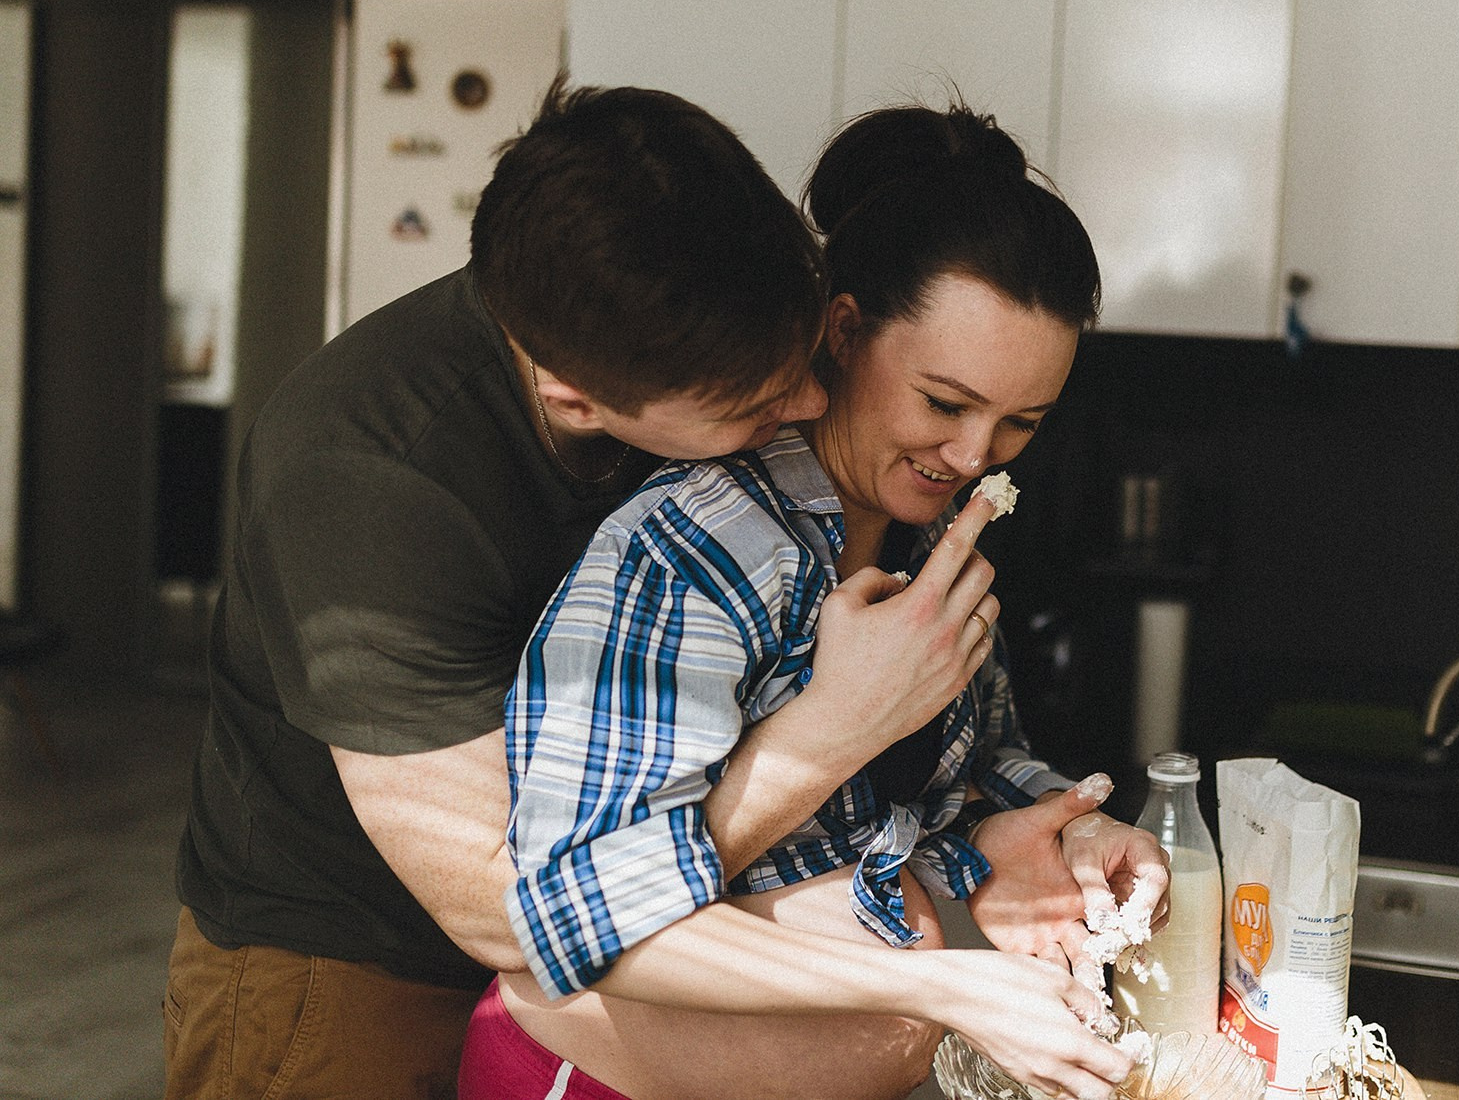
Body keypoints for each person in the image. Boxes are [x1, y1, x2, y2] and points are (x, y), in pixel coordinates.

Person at [163, 83, 1016, 1100]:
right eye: (756, 406)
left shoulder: (669, 314)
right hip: (349, 954)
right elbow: (507, 913)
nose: (811, 405)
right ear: (579, 398)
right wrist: (832, 733)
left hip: (589, 956)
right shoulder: (372, 484)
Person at [462, 103, 1169, 1100]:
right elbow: (581, 920)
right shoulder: (696, 552)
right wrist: (941, 986)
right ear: (843, 329)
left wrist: (1056, 826)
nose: (974, 456)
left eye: (1021, 421)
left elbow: (958, 770)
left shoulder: (934, 539)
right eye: (945, 402)